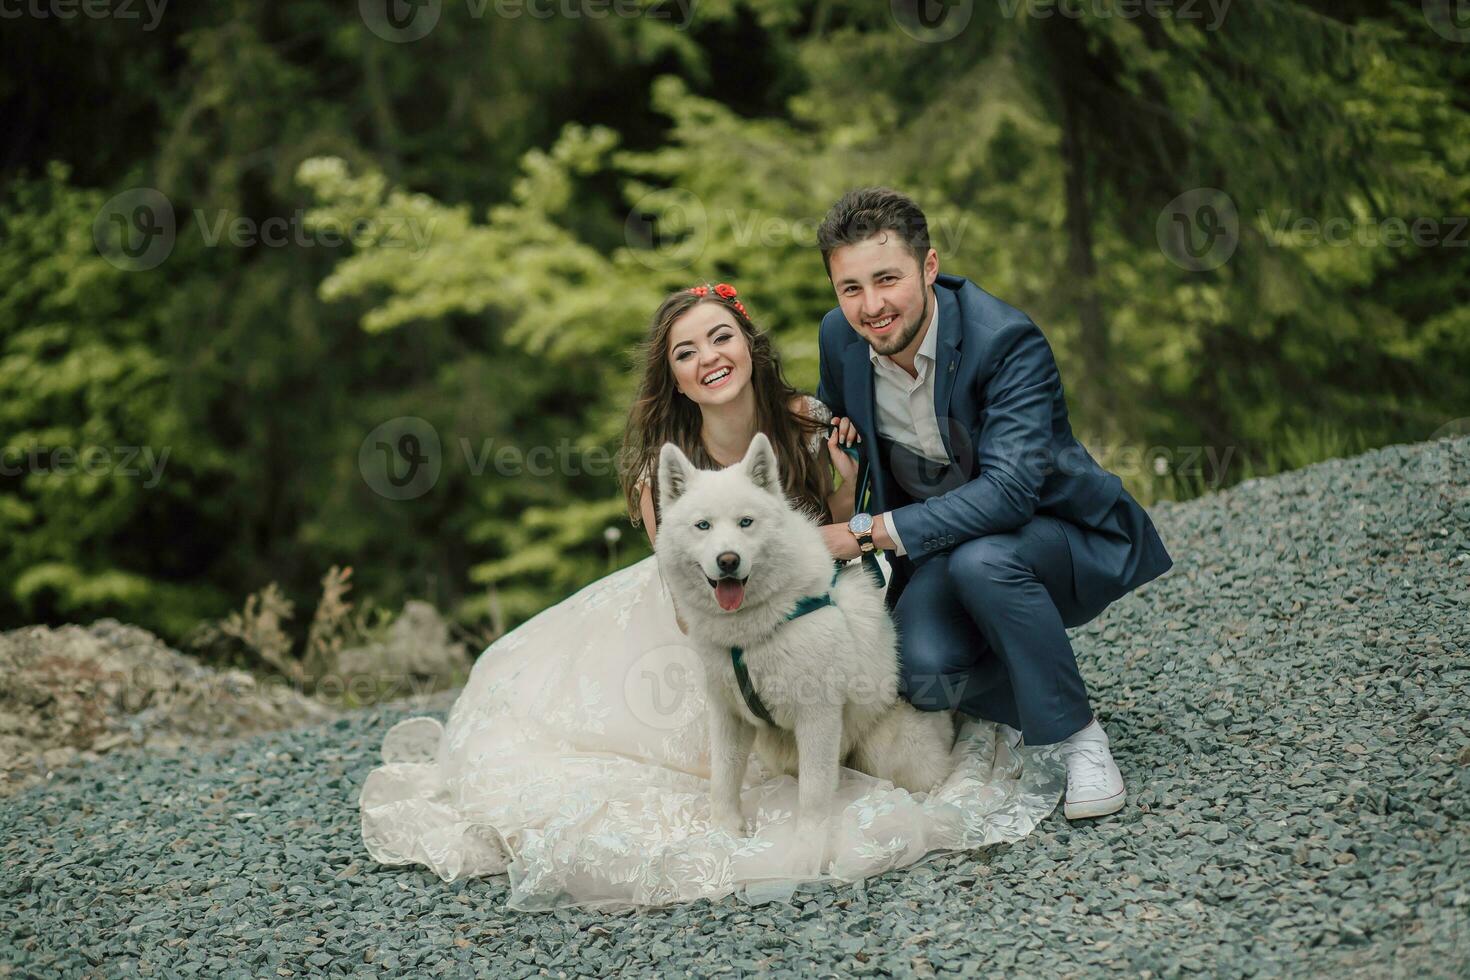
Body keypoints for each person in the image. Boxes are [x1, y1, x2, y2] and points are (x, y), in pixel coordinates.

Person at [358, 280, 1064, 912]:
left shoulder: (815, 425)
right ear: (677, 379)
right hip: (700, 621)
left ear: (749, 346)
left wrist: (843, 485)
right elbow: (684, 592)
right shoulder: (660, 473)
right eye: (686, 353)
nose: (709, 358)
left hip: (795, 604)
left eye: (720, 337)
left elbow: (843, 541)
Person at [811, 187, 1174, 820]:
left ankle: (1079, 738)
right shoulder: (839, 341)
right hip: (942, 549)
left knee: (986, 563)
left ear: (928, 268)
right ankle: (1032, 692)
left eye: (887, 279)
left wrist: (863, 533)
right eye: (850, 289)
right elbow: (836, 415)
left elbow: (1010, 493)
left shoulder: (1004, 340)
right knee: (920, 674)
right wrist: (816, 418)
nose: (871, 307)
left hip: (1051, 534)